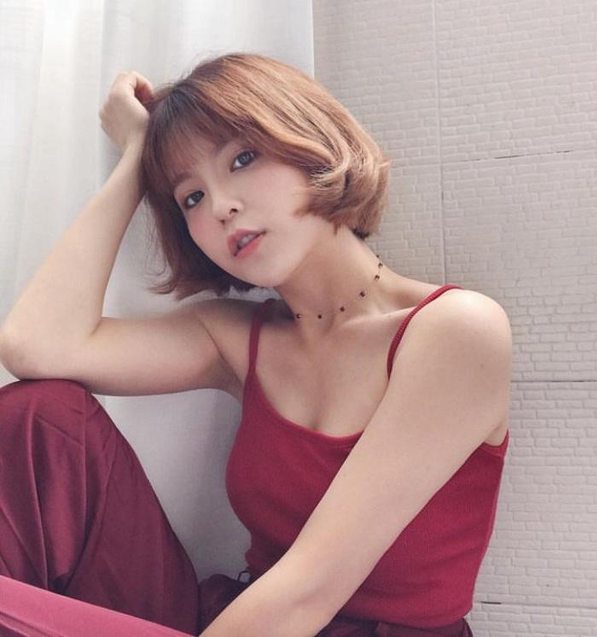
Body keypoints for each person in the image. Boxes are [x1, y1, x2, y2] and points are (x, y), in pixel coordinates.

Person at [0, 52, 512, 637]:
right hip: (234, 621)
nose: (221, 207)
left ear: (313, 143)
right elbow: (36, 346)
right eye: (191, 197)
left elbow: (310, 588)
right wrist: (137, 159)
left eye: (243, 159)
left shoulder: (454, 330)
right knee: (43, 418)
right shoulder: (235, 340)